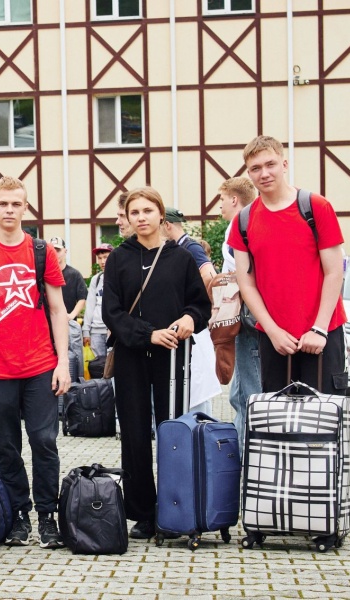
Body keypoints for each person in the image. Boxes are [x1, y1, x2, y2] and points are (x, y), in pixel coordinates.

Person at [0, 176, 71, 549]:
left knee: (44, 441)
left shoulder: (41, 251)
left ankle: (48, 516)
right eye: (3, 203)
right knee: (6, 447)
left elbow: (58, 309)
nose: (9, 210)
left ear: (25, 208)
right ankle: (19, 514)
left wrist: (63, 363)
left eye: (16, 204)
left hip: (40, 365)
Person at [102, 186, 210, 540]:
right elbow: (111, 312)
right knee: (134, 435)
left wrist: (189, 319)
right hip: (132, 355)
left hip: (173, 355)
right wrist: (147, 334)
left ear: (161, 215)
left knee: (172, 431)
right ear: (128, 218)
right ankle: (143, 513)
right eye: (134, 212)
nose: (141, 217)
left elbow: (200, 305)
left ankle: (175, 508)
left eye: (147, 211)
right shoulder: (119, 258)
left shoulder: (181, 258)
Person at [228, 135, 347, 395]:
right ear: (248, 173)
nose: (264, 173)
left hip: (322, 333)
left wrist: (319, 329)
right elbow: (247, 284)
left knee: (323, 416)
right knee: (277, 418)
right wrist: (272, 332)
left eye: (270, 164)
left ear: (284, 164)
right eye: (255, 168)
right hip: (275, 340)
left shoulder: (316, 207)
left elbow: (334, 272)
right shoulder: (243, 221)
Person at [162, 208, 220, 416]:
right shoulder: (180, 247)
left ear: (166, 225)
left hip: (193, 325)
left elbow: (209, 275)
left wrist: (196, 304)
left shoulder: (189, 247)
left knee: (196, 390)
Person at [218, 176, 261, 447]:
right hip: (250, 315)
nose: (220, 206)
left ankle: (248, 459)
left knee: (249, 394)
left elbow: (241, 273)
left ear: (234, 199)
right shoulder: (252, 221)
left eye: (222, 200)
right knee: (238, 394)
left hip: (247, 315)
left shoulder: (240, 225)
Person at [49, 236, 88, 384]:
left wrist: (71, 315)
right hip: (48, 325)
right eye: (52, 250)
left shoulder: (74, 274)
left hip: (69, 326)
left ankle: (76, 388)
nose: (55, 253)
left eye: (58, 250)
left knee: (73, 360)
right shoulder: (44, 273)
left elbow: (82, 298)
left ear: (65, 251)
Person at [83, 243, 113, 357]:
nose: (102, 261)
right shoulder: (96, 279)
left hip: (113, 330)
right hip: (96, 330)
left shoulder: (120, 277)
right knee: (99, 364)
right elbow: (90, 305)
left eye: (106, 257)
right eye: (99, 258)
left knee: (113, 363)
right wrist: (86, 330)